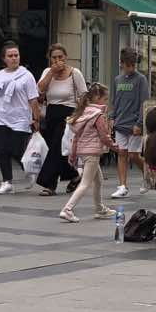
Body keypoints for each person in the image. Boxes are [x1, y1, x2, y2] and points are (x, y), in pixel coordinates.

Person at [0, 41, 40, 195]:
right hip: (1, 117)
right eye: (10, 56)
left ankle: (29, 172)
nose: (14, 58)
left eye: (16, 55)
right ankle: (6, 182)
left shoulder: (26, 75)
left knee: (15, 150)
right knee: (2, 150)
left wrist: (36, 118)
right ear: (4, 58)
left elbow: (33, 99)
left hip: (20, 119)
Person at [35, 44, 86, 197]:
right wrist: (51, 72)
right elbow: (39, 90)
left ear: (66, 57)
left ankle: (49, 184)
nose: (57, 60)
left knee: (57, 147)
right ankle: (74, 175)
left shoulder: (74, 73)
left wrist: (79, 115)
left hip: (68, 114)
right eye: (54, 58)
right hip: (51, 113)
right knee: (57, 150)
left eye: (60, 57)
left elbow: (84, 95)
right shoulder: (47, 72)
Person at [61, 83, 116, 223]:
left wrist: (73, 155)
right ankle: (67, 209)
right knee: (85, 183)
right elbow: (104, 136)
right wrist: (114, 146)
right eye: (105, 99)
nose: (106, 102)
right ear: (97, 98)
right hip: (92, 152)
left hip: (83, 151)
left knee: (98, 181)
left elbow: (75, 138)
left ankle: (100, 208)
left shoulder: (83, 112)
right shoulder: (98, 115)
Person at [110, 46, 150, 198]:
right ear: (122, 63)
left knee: (134, 155)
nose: (131, 68)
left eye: (133, 65)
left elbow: (144, 102)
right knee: (122, 153)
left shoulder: (141, 79)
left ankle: (147, 176)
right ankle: (122, 186)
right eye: (128, 65)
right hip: (120, 122)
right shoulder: (117, 80)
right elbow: (115, 101)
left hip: (134, 124)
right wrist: (112, 117)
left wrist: (140, 123)